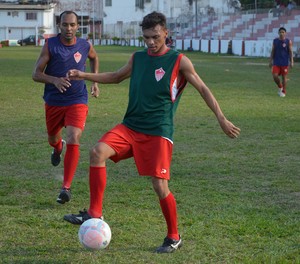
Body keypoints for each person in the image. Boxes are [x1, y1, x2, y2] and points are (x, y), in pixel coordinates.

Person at [64, 12, 240, 253]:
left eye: (155, 37)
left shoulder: (180, 61)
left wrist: (221, 118)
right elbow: (115, 77)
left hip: (158, 132)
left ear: (166, 33)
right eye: (146, 37)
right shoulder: (138, 58)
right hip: (130, 127)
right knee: (97, 152)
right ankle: (94, 213)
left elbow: (203, 88)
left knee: (159, 185)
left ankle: (174, 236)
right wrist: (83, 75)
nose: (150, 42)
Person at [32, 11, 99, 204]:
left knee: (74, 137)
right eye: (65, 25)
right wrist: (54, 80)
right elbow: (36, 74)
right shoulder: (50, 45)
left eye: (72, 25)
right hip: (53, 102)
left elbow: (94, 58)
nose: (68, 29)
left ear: (78, 26)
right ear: (59, 25)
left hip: (77, 100)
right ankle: (57, 148)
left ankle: (66, 187)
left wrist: (94, 81)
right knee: (53, 138)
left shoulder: (85, 45)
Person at [269, 27, 294, 97]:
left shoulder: (288, 41)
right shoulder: (275, 41)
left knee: (284, 78)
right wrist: (270, 60)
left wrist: (291, 61)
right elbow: (273, 51)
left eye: (283, 32)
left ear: (285, 33)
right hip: (276, 62)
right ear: (278, 33)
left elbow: (290, 51)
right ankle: (280, 86)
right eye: (280, 32)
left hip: (284, 63)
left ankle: (283, 92)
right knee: (274, 76)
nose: (281, 33)